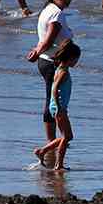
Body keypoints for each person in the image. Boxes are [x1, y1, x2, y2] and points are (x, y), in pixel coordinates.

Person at [24, 0, 75, 160]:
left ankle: (53, 142)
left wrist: (38, 51)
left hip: (47, 60)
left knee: (52, 100)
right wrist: (37, 51)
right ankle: (52, 143)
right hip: (51, 62)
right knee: (54, 102)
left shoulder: (49, 10)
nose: (68, 0)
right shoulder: (56, 14)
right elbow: (49, 37)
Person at [33, 40, 81, 171]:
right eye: (77, 59)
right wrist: (59, 107)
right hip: (59, 108)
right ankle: (58, 164)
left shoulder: (59, 68)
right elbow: (54, 89)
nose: (77, 62)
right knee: (67, 137)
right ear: (71, 58)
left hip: (57, 107)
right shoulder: (63, 72)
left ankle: (43, 151)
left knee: (68, 136)